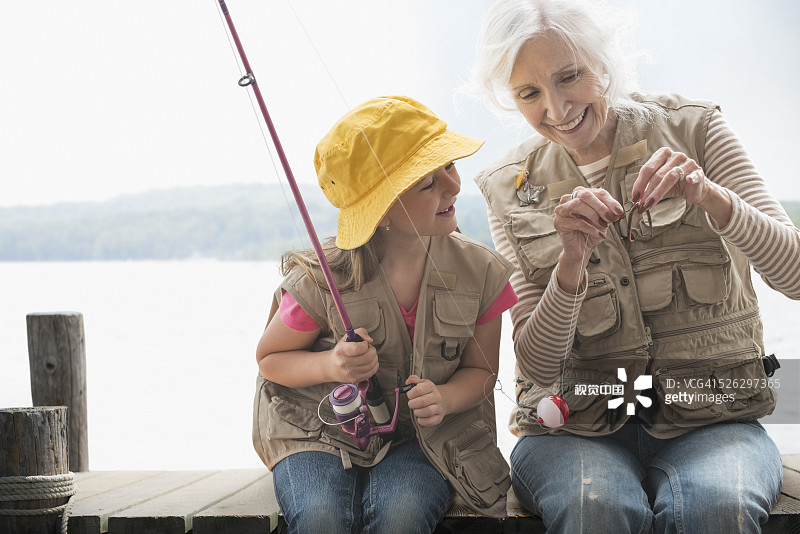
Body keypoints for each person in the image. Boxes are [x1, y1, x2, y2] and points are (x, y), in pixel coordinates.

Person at [470, 0, 800, 532]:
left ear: (604, 62)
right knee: (594, 506)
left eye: (569, 76)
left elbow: (795, 276)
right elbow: (536, 365)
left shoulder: (697, 129)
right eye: (529, 93)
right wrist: (570, 265)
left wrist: (714, 199)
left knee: (719, 506)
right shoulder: (507, 186)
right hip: (573, 430)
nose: (556, 109)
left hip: (713, 418)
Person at [252, 96, 517, 533]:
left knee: (403, 514)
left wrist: (445, 398)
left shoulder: (484, 273)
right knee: (321, 518)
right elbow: (270, 361)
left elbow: (481, 371)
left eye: (450, 166)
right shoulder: (320, 279)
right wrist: (331, 364)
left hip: (423, 439)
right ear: (381, 211)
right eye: (428, 183)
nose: (453, 186)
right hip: (316, 434)